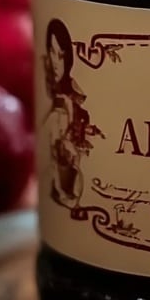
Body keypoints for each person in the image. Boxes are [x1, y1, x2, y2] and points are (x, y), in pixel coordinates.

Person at [43, 18, 102, 209]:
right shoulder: (51, 87)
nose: (56, 62)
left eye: (61, 55)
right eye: (52, 52)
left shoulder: (74, 93)